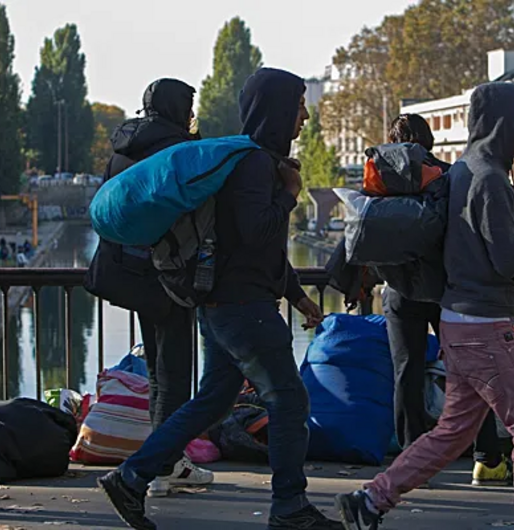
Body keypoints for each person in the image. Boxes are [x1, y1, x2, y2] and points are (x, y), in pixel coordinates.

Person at [99, 68, 340, 530]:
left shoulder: (251, 160)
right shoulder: (254, 166)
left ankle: (131, 478)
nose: (305, 117)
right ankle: (289, 506)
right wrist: (289, 197)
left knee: (212, 401)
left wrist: (298, 296)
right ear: (277, 110)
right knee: (290, 402)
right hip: (243, 309)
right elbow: (255, 236)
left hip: (224, 306)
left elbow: (257, 249)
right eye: (299, 106)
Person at [335, 84, 514, 530]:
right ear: (504, 125)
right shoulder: (490, 178)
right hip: (486, 326)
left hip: (457, 322)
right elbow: (507, 259)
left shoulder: (463, 173)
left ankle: (371, 500)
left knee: (453, 432)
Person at [384, 113, 509, 486]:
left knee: (406, 373)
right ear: (431, 140)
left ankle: (411, 460)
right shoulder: (450, 175)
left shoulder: (385, 177)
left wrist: (349, 276)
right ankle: (487, 456)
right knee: (470, 373)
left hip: (400, 290)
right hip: (447, 289)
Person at [103, 78, 213, 497]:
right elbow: (191, 202)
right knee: (175, 373)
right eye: (189, 108)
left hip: (132, 272)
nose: (191, 116)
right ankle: (164, 466)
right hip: (171, 272)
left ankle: (161, 459)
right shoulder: (174, 149)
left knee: (155, 369)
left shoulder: (122, 149)